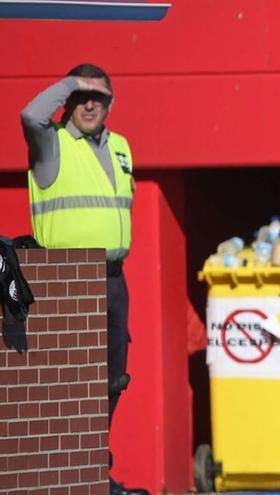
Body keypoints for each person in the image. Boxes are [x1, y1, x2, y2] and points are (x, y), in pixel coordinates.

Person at [21, 64, 146, 495]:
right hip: (66, 279)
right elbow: (30, 115)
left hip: (113, 278)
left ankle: (92, 471)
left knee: (113, 380)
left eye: (100, 96)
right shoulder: (50, 141)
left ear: (111, 104)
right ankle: (65, 475)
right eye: (82, 97)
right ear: (69, 102)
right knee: (71, 382)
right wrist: (72, 83)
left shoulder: (122, 147)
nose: (91, 104)